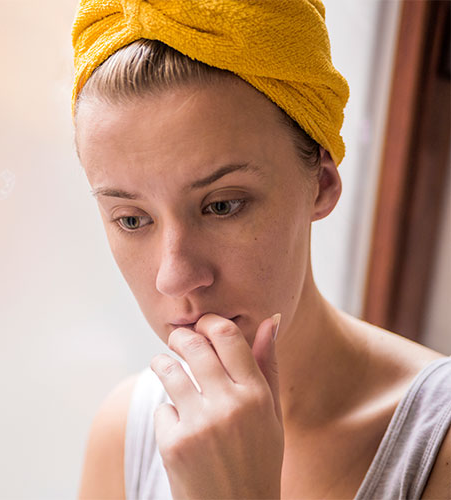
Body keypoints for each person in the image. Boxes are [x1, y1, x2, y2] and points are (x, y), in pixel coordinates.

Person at [71, 1, 451, 499]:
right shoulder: (126, 435)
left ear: (321, 184)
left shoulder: (438, 451)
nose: (175, 276)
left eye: (223, 205)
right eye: (132, 219)